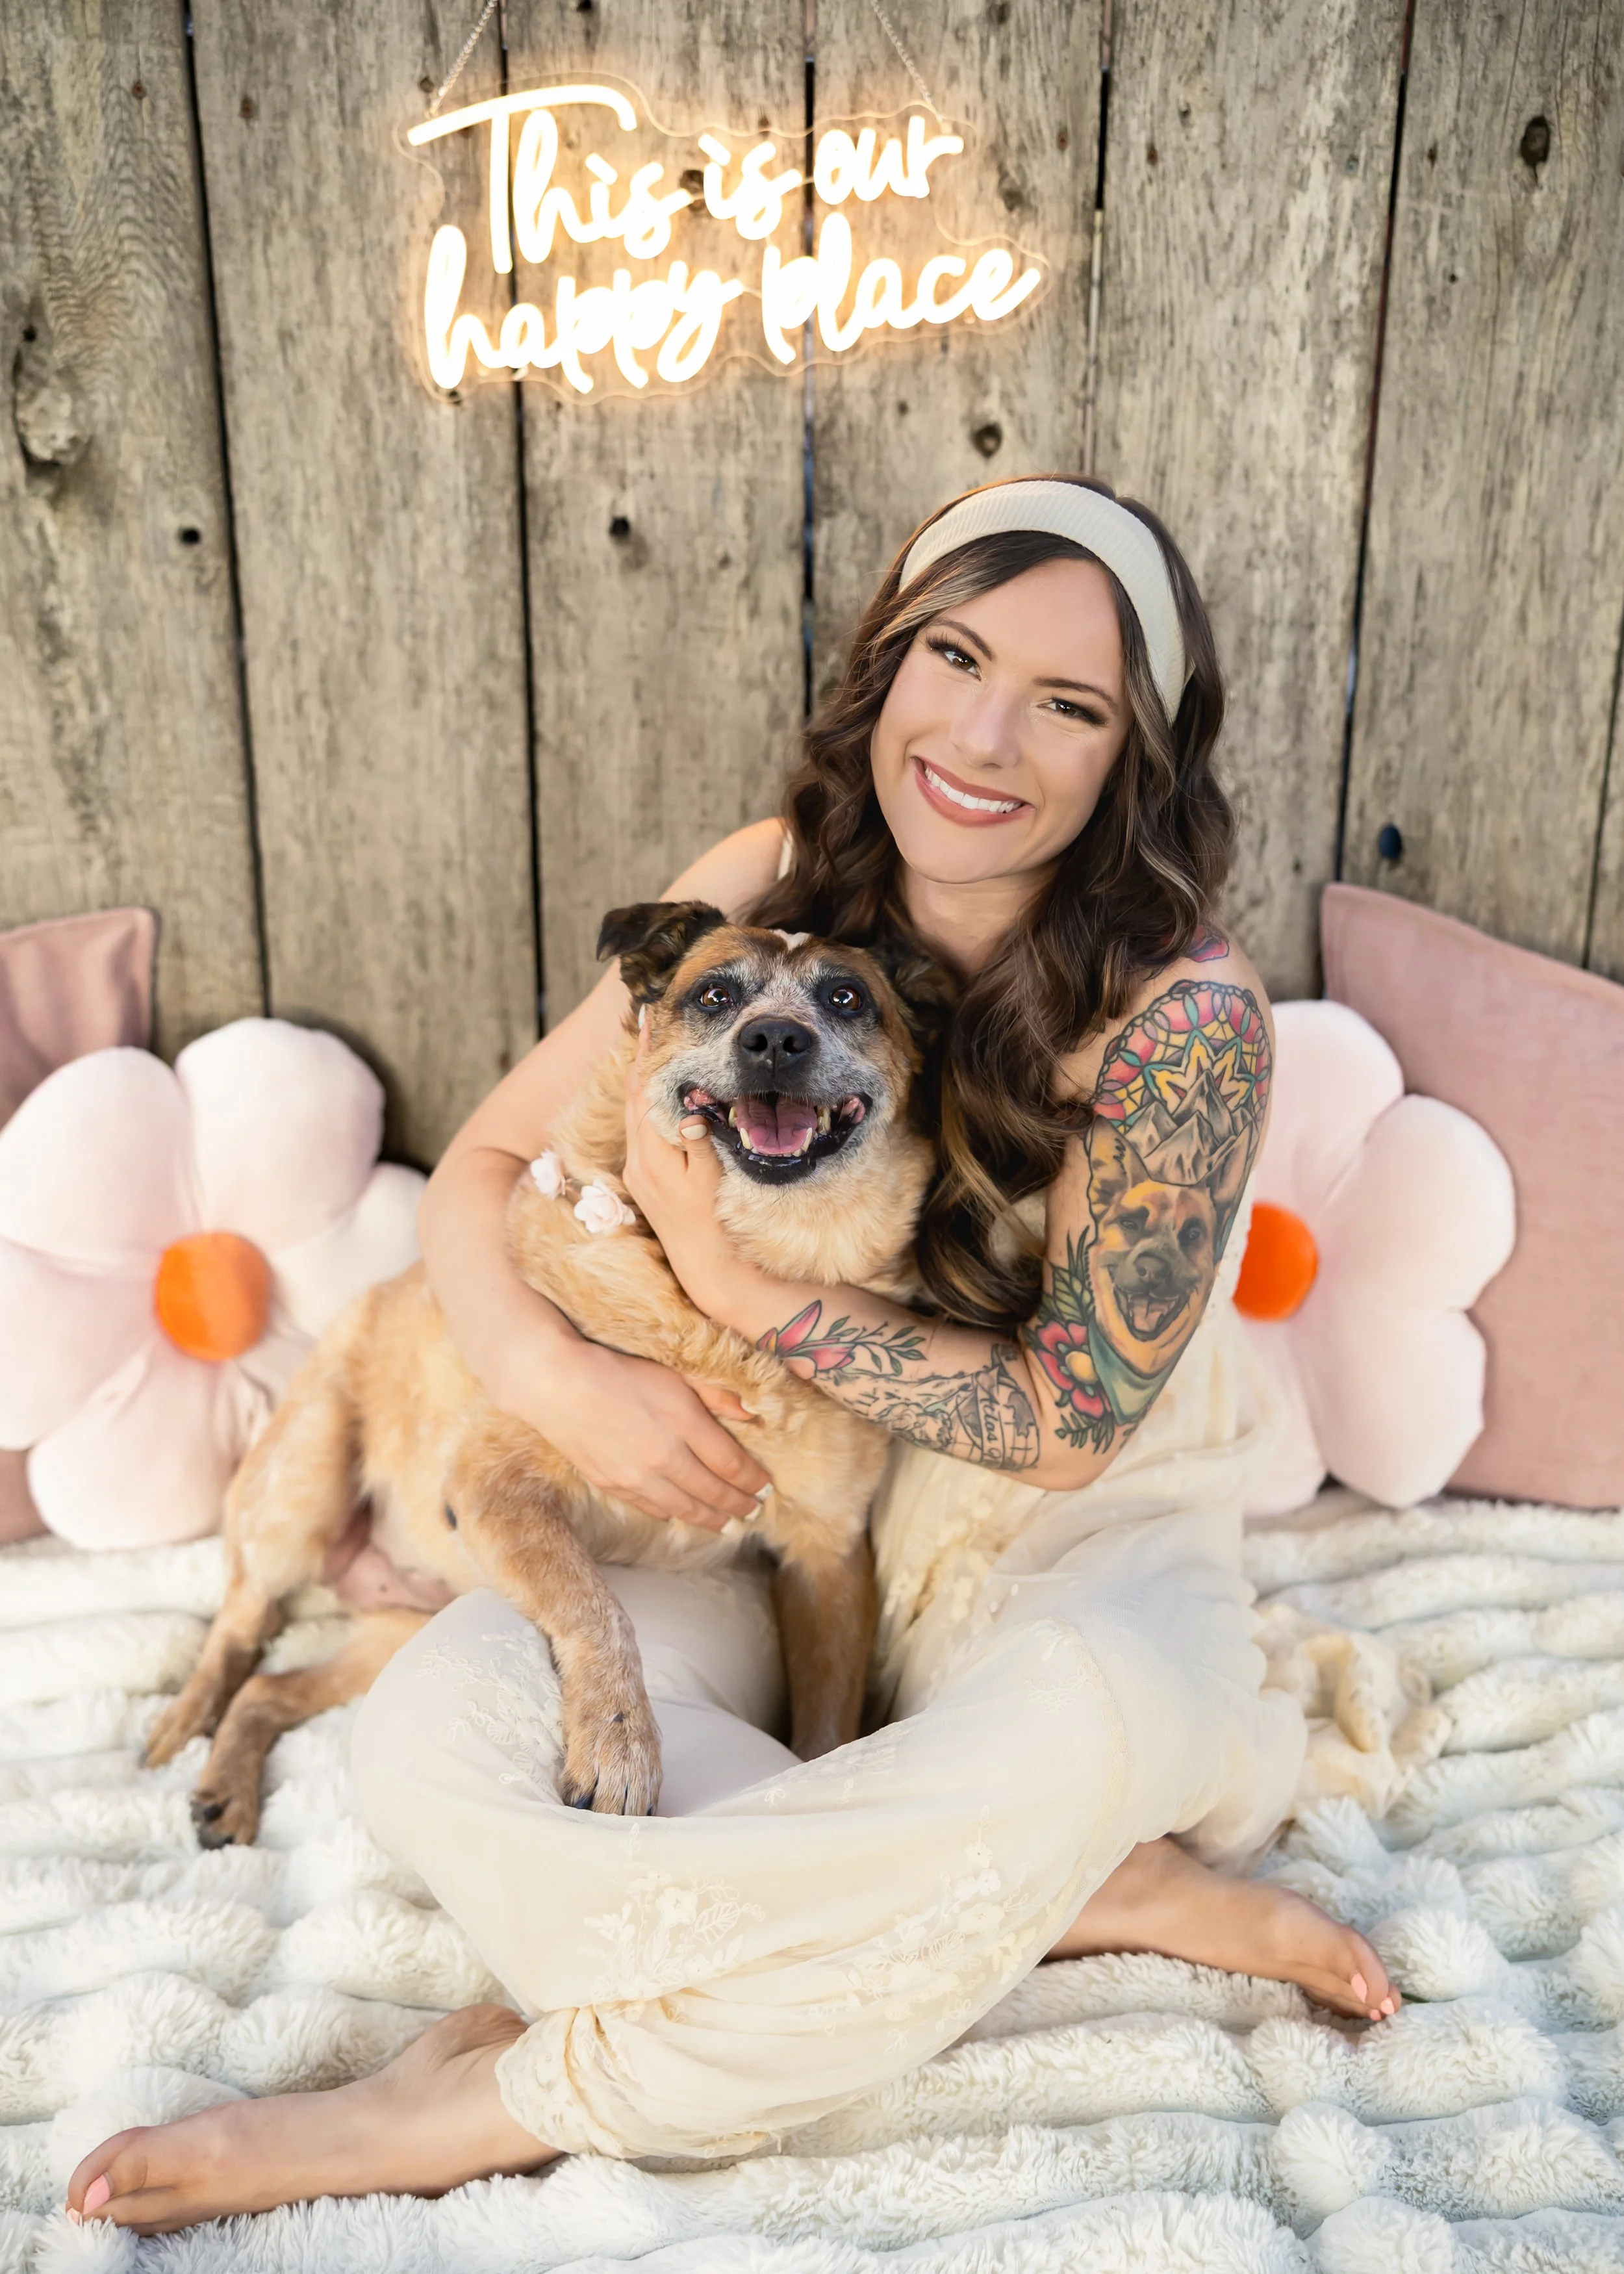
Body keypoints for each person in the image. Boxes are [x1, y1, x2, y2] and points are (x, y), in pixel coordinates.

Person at [68, 476, 1396, 2234]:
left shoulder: (1180, 1021)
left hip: (1065, 1555)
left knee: (1077, 1738)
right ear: (885, 663)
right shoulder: (759, 890)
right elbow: (476, 1172)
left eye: (1067, 705)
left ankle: (463, 2100)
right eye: (955, 653)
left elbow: (1069, 1424)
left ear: (1129, 759)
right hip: (760, 1521)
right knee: (444, 1719)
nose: (985, 735)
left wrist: (731, 1276)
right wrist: (562, 1381)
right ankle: (1066, 1893)